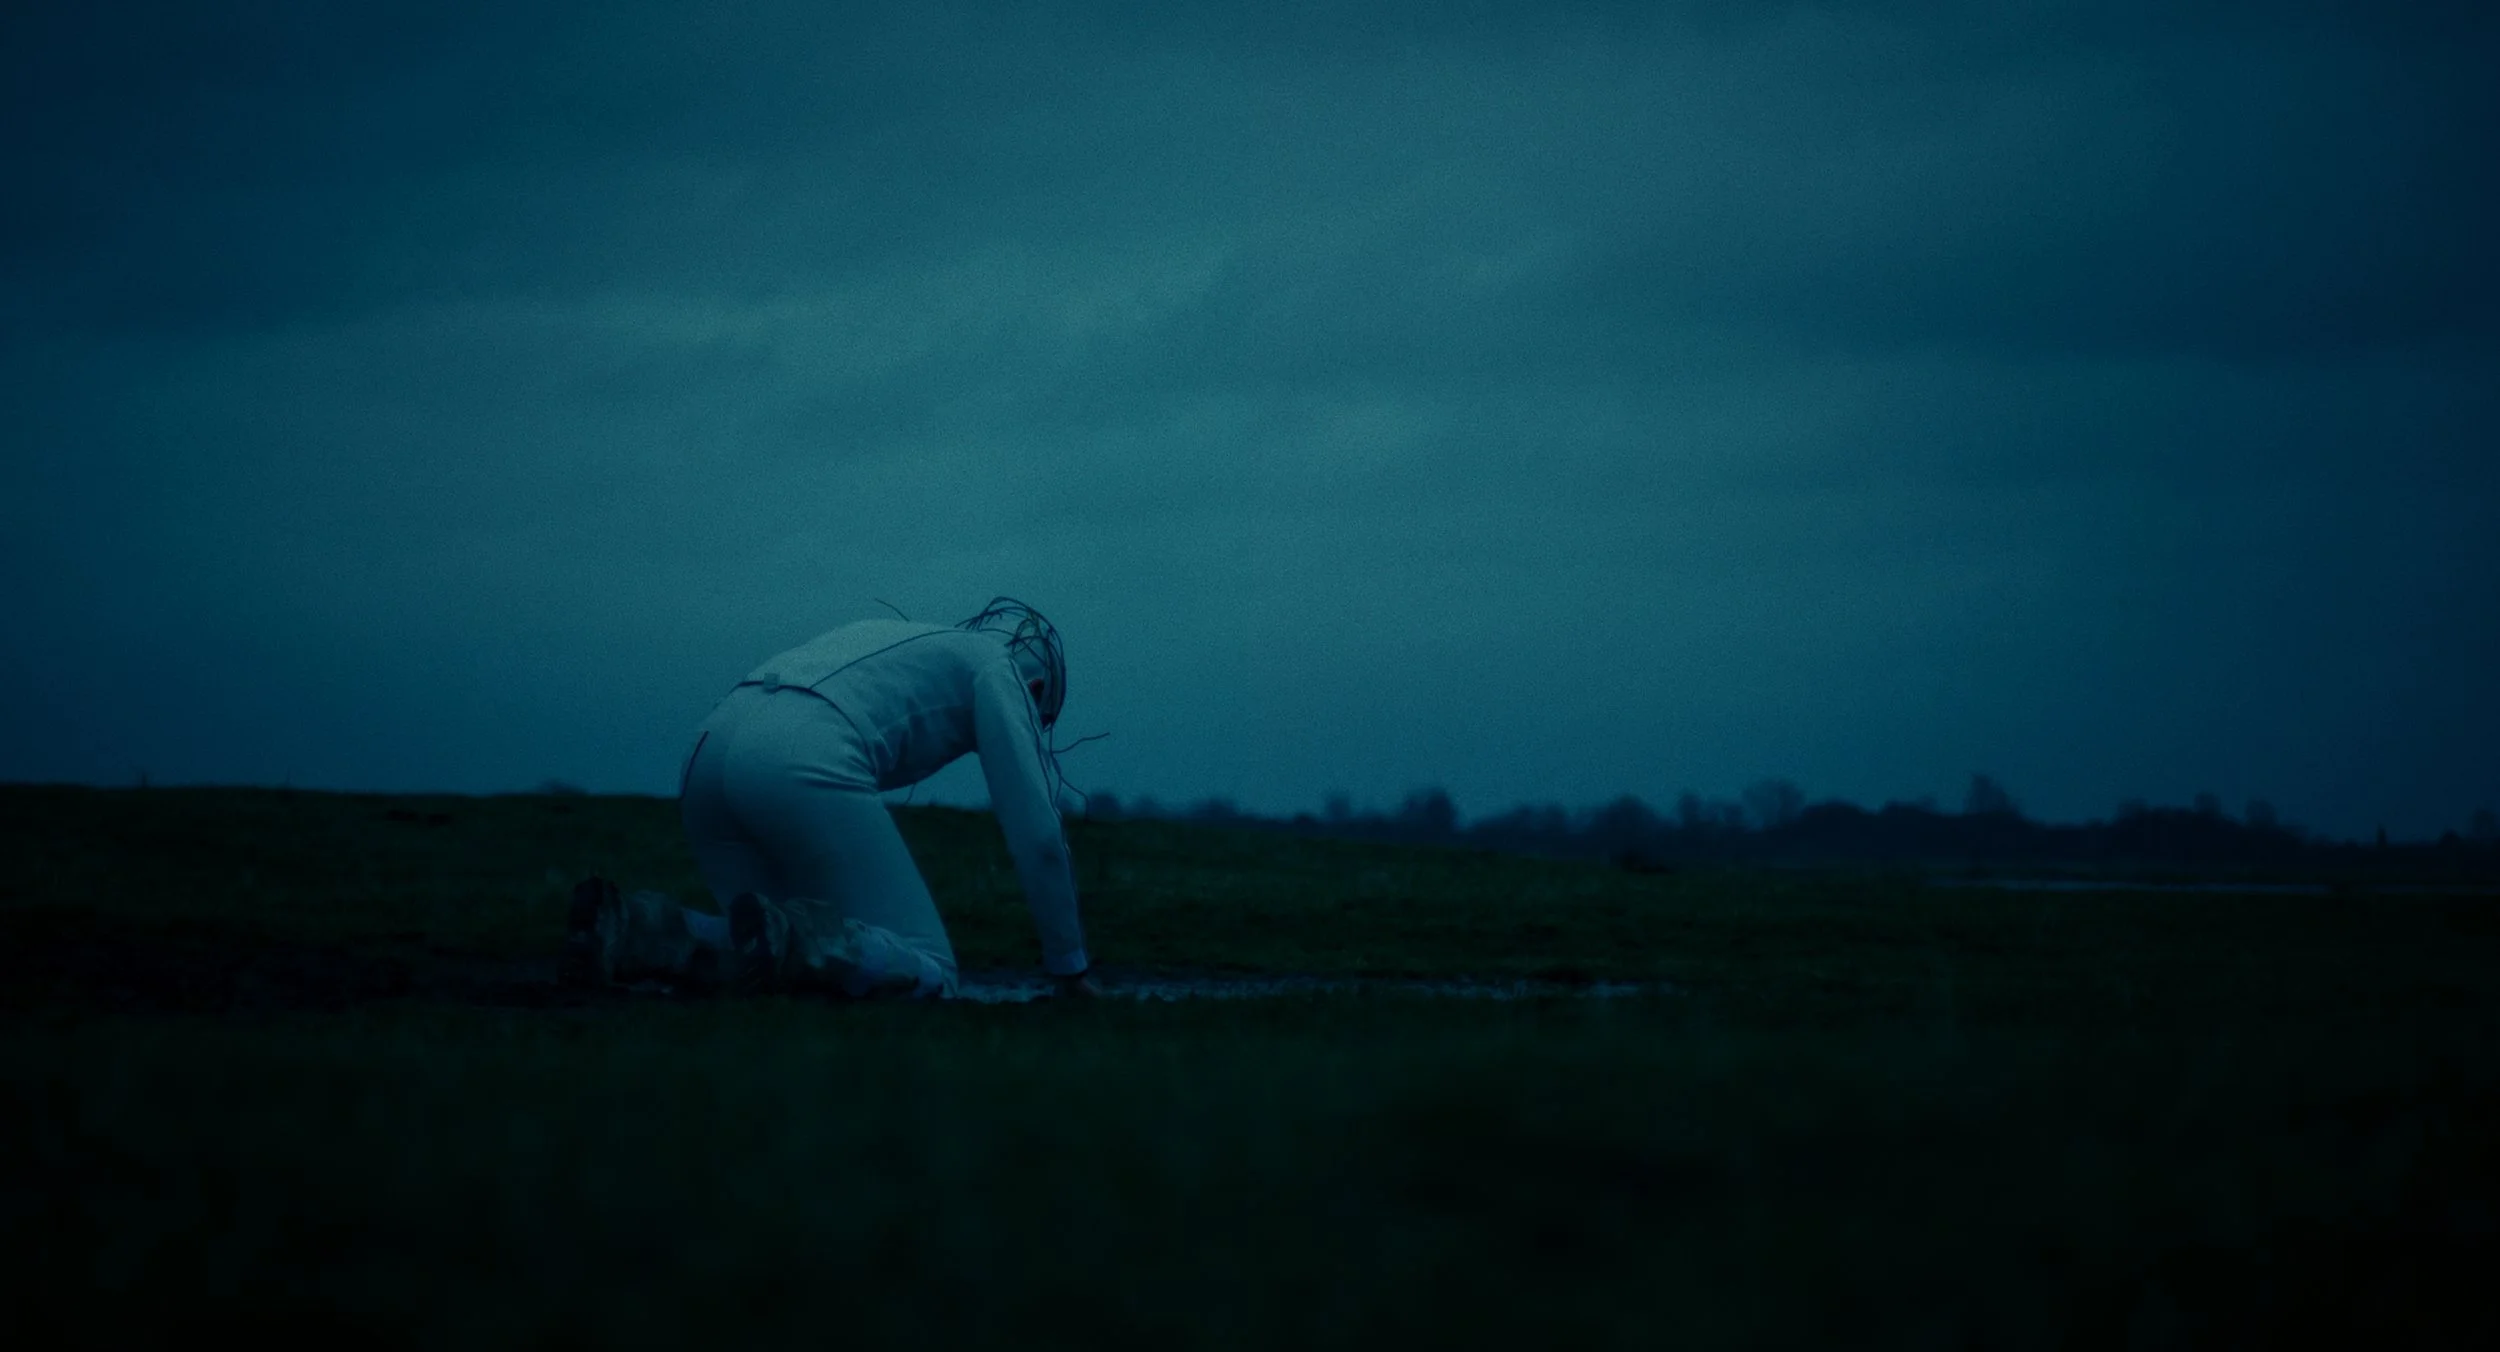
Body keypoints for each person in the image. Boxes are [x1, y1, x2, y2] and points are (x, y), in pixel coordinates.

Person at [563, 598, 1098, 1000]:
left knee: (758, 953)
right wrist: (1069, 966)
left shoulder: (897, 638)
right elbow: (1038, 836)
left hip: (709, 748)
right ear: (1034, 693)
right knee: (931, 969)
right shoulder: (999, 669)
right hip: (802, 750)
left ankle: (632, 927)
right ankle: (796, 940)